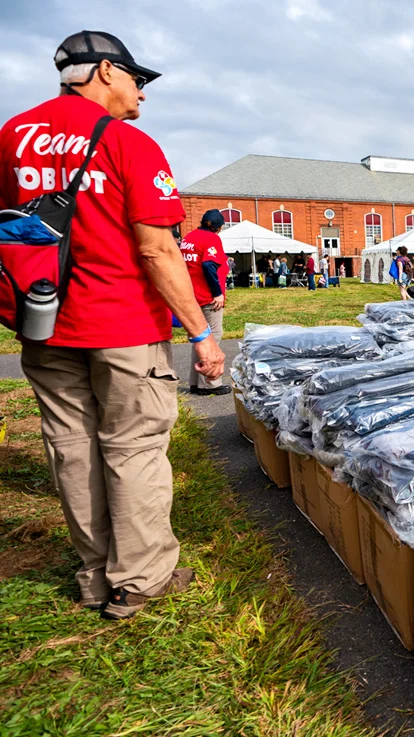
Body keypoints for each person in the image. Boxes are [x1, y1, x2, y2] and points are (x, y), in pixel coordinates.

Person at [0, 30, 225, 619]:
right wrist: (200, 332)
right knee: (134, 447)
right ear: (104, 71)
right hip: (122, 323)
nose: (142, 94)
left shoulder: (12, 136)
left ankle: (96, 575)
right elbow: (157, 251)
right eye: (136, 79)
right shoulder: (131, 143)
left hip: (44, 319)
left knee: (71, 449)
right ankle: (142, 578)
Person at [179, 209, 230, 396]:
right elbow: (209, 264)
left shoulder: (189, 237)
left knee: (199, 337)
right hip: (207, 296)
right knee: (213, 336)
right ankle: (210, 382)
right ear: (218, 227)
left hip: (191, 294)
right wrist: (217, 293)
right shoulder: (211, 239)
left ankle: (195, 380)